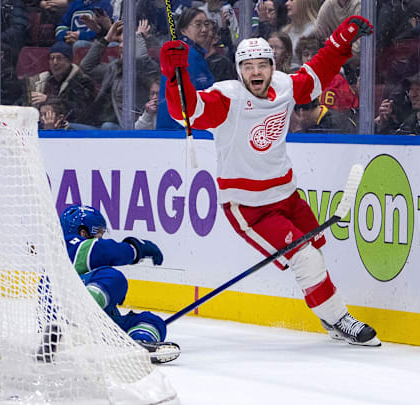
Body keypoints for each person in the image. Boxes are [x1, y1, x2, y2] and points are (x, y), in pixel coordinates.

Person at [160, 16, 381, 346]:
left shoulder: (284, 87)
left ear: (272, 66)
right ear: (239, 70)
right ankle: (339, 318)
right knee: (304, 256)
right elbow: (187, 112)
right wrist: (173, 76)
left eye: (262, 65)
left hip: (287, 195)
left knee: (316, 248)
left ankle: (327, 315)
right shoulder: (227, 100)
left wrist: (340, 40)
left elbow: (317, 74)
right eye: (248, 66)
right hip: (249, 207)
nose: (256, 73)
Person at [52, 204, 180, 363]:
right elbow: (103, 250)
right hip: (63, 319)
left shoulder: (85, 266)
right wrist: (135, 249)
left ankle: (139, 344)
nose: (101, 238)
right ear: (82, 232)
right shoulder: (66, 246)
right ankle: (77, 319)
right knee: (113, 277)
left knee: (152, 321)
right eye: (97, 234)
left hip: (98, 325)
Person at [79, 18, 160, 129]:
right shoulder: (114, 68)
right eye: (121, 42)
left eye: (128, 43)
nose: (121, 46)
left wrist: (139, 38)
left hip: (128, 127)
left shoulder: (147, 69)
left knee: (107, 127)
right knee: (67, 129)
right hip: (99, 123)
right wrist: (107, 39)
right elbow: (87, 66)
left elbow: (140, 60)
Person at [156, 7, 215, 130]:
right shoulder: (186, 55)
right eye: (198, 24)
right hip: (180, 130)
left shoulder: (191, 53)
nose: (204, 29)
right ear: (183, 30)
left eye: (206, 24)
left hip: (177, 128)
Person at [24, 41, 96, 127]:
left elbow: (81, 111)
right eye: (52, 58)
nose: (55, 62)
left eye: (59, 58)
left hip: (75, 127)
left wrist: (49, 99)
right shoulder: (39, 81)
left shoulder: (82, 81)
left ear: (69, 61)